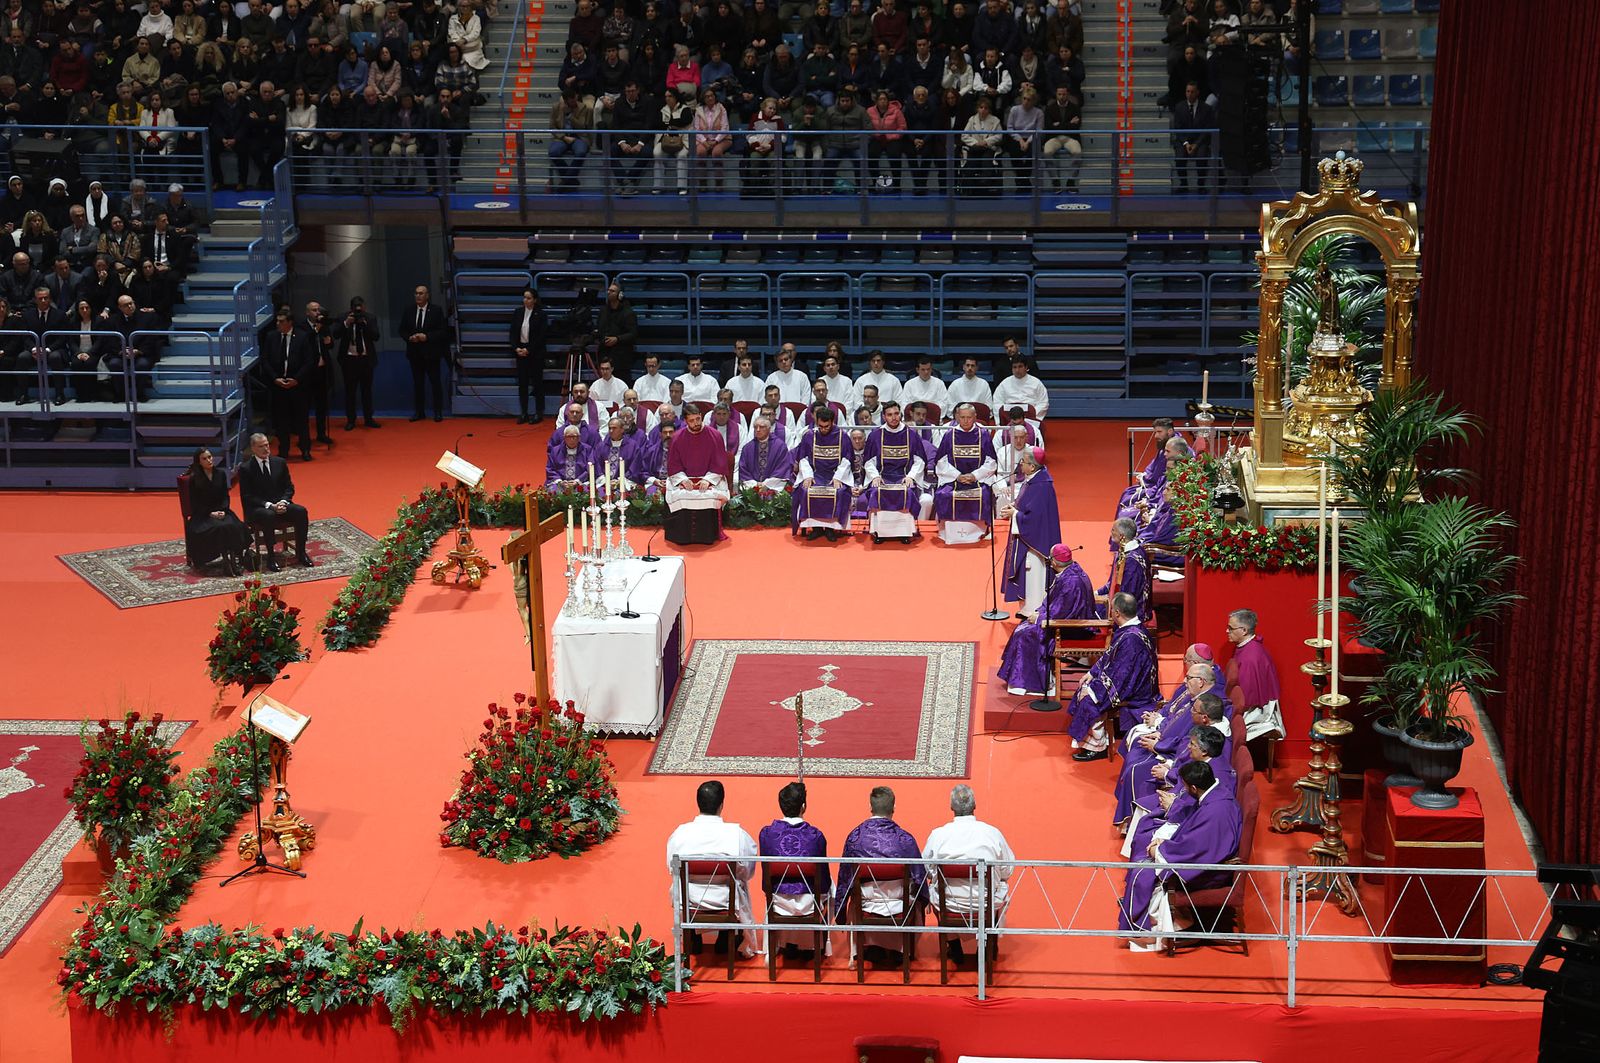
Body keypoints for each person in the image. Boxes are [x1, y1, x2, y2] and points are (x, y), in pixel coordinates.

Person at [1118, 760, 1241, 951]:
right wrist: (1167, 844)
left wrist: (1159, 850)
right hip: (1208, 856)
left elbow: (1198, 849)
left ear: (1193, 787)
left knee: (1143, 873)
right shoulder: (1217, 793)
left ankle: (1151, 931)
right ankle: (1135, 907)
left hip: (1212, 873)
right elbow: (1197, 837)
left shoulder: (1215, 812)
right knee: (1147, 857)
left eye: (1184, 786)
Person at [1114, 648, 1226, 829]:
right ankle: (1130, 818)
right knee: (1135, 750)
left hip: (1175, 761)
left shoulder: (1206, 706)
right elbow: (1182, 731)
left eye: (1189, 678)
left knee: (1135, 770)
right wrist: (1161, 728)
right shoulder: (1198, 698)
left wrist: (1164, 757)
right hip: (1173, 753)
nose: (1184, 681)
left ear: (1201, 681)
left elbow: (1186, 743)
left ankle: (1131, 822)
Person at [665, 780, 759, 959]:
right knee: (739, 882)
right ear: (721, 805)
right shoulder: (736, 834)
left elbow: (672, 868)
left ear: (698, 803)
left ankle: (692, 938)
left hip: (690, 899)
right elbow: (748, 871)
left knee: (681, 883)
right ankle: (726, 937)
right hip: (726, 899)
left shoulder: (681, 833)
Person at [834, 785, 925, 971]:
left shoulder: (855, 838)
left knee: (854, 893)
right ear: (893, 808)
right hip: (900, 904)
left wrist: (841, 910)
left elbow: (845, 879)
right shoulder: (905, 840)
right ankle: (902, 949)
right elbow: (919, 878)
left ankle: (864, 947)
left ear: (870, 807)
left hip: (866, 903)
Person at [922, 784, 1014, 962]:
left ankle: (954, 944)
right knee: (1003, 886)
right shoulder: (992, 833)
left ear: (951, 808)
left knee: (934, 890)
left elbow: (927, 869)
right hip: (985, 904)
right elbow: (1007, 869)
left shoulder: (938, 835)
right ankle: (987, 945)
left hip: (948, 903)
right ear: (974, 806)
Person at [997, 542, 1098, 698]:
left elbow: (1063, 613)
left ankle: (1031, 684)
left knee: (1027, 635)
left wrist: (1038, 618)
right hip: (1069, 620)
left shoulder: (1071, 582)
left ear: (1055, 562)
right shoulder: (1072, 571)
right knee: (1023, 627)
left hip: (1074, 628)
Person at [1067, 591, 1160, 762]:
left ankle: (1097, 746)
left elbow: (1123, 676)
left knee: (1089, 699)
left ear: (1117, 613)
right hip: (1131, 680)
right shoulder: (1133, 629)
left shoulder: (1131, 639)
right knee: (1088, 685)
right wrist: (1092, 672)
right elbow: (1111, 656)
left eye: (1111, 610)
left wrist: (1095, 691)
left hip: (1138, 690)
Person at [757, 781, 832, 959]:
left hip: (778, 901)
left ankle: (786, 942)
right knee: (830, 888)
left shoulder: (767, 834)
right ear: (804, 806)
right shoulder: (816, 836)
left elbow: (765, 874)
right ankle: (813, 945)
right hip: (809, 903)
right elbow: (824, 880)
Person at [237, 431, 313, 570]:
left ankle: (301, 552)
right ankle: (271, 557)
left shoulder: (279, 462)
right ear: (253, 448)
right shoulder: (246, 468)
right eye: (261, 446)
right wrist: (270, 506)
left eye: (267, 445)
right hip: (258, 508)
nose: (266, 449)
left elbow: (289, 487)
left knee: (301, 511)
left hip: (280, 504)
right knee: (269, 515)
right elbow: (248, 496)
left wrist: (284, 501)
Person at [1000, 447, 1061, 617]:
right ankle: (1026, 607)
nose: (1020, 464)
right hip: (1029, 539)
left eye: (1023, 461)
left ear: (1032, 466)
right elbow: (1028, 505)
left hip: (1035, 544)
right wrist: (1014, 507)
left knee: (1033, 574)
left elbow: (1036, 518)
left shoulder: (1041, 485)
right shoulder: (1033, 480)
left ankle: (1034, 609)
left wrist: (1015, 514)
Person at [932, 402, 996, 545]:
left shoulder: (983, 435)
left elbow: (991, 462)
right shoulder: (950, 435)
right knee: (943, 495)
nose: (966, 421)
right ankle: (946, 531)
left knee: (984, 494)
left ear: (975, 417)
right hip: (954, 479)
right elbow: (941, 461)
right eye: (962, 417)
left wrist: (974, 475)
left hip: (977, 480)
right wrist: (958, 476)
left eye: (969, 417)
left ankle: (979, 530)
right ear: (957, 417)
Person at [182, 446, 251, 575]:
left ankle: (234, 559)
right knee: (220, 528)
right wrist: (210, 513)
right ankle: (227, 561)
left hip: (221, 510)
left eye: (210, 457)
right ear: (199, 461)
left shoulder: (220, 474)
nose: (209, 460)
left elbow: (225, 496)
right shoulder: (194, 479)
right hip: (203, 514)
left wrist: (223, 510)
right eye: (204, 459)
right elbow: (195, 502)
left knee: (233, 525)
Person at [1224, 608, 1284, 752]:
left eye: (1230, 628)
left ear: (1244, 631)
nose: (1227, 631)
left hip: (1256, 710)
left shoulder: (1251, 658)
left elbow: (1246, 698)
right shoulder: (1246, 646)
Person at [862, 401, 923, 542]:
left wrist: (911, 477)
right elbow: (868, 461)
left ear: (900, 414)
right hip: (882, 476)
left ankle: (905, 532)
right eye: (889, 415)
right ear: (884, 417)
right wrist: (875, 476)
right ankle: (879, 532)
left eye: (896, 414)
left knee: (906, 491)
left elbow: (919, 460)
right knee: (877, 491)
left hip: (904, 476)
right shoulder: (876, 435)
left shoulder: (911, 435)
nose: (894, 417)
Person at [791, 404, 853, 540]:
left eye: (827, 427)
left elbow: (847, 460)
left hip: (835, 474)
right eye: (821, 427)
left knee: (839, 491)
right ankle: (817, 528)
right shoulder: (809, 436)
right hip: (815, 473)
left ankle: (831, 528)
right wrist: (807, 476)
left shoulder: (843, 437)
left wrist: (838, 478)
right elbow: (803, 458)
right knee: (806, 490)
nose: (823, 430)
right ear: (816, 421)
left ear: (833, 422)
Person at [261, 307, 314, 461]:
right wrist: (274, 378)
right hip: (278, 386)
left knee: (301, 420)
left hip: (298, 386)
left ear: (290, 322)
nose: (278, 324)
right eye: (277, 321)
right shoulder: (271, 337)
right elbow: (265, 360)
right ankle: (284, 450)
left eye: (281, 321)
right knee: (281, 421)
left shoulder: (303, 337)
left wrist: (296, 379)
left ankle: (305, 449)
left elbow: (309, 361)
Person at [666, 406, 731, 523]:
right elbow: (674, 464)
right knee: (679, 495)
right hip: (685, 480)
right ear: (685, 421)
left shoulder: (715, 435)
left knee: (712, 495)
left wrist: (708, 480)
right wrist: (683, 480)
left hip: (710, 479)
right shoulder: (677, 438)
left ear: (701, 416)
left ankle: (710, 530)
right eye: (691, 421)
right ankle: (681, 531)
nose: (696, 423)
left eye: (697, 419)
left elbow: (719, 463)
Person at [402, 283, 448, 422]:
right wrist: (409, 338)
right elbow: (402, 330)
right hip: (415, 354)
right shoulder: (409, 311)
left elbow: (442, 332)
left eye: (421, 293)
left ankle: (438, 411)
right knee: (418, 384)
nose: (418, 296)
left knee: (435, 383)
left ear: (427, 295)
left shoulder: (436, 310)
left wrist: (427, 337)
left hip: (431, 354)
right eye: (416, 293)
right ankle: (419, 412)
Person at [333, 296, 380, 430]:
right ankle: (351, 420)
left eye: (360, 308)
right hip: (349, 360)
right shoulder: (343, 317)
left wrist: (365, 324)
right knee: (350, 392)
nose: (358, 311)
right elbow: (335, 334)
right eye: (356, 308)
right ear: (351, 308)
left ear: (364, 307)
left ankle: (368, 418)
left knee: (367, 391)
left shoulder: (370, 318)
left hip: (366, 359)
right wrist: (346, 323)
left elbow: (376, 336)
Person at [1117, 417, 1177, 518]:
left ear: (1170, 431)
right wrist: (1145, 474)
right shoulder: (1166, 445)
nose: (1156, 435)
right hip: (1157, 486)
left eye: (1159, 432)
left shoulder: (1174, 449)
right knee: (1127, 493)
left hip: (1159, 490)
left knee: (1128, 498)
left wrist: (1144, 479)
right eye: (1155, 432)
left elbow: (1158, 477)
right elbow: (1154, 464)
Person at [1102, 516, 1152, 622]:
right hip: (1120, 599)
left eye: (1113, 530)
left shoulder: (1131, 563)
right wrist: (1097, 593)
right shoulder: (1127, 551)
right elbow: (1112, 583)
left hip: (1133, 612)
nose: (1111, 533)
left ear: (1121, 536)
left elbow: (1128, 595)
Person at [510, 287, 548, 424]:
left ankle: (538, 413)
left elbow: (542, 336)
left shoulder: (541, 314)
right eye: (524, 297)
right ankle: (524, 412)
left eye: (529, 298)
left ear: (535, 300)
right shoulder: (518, 313)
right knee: (523, 384)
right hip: (520, 352)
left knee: (537, 384)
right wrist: (516, 348)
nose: (525, 300)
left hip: (535, 353)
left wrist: (529, 350)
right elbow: (512, 333)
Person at [1169, 79, 1214, 194]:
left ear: (1197, 92)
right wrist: (1186, 143)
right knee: (1179, 157)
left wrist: (1197, 144)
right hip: (1184, 140)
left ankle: (1201, 185)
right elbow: (1178, 129)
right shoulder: (1179, 107)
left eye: (1192, 92)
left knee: (1202, 156)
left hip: (1200, 140)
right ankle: (1184, 185)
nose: (1190, 94)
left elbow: (1207, 129)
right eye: (1188, 91)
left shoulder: (1206, 108)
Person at [737, 414, 794, 490]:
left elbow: (782, 468)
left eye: (761, 427)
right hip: (752, 488)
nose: (758, 430)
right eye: (755, 427)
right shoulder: (747, 448)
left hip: (773, 487)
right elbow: (743, 470)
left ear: (769, 429)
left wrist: (766, 484)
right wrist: (755, 484)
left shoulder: (780, 446)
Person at [597, 282, 638, 379]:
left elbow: (633, 334)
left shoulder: (628, 313)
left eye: (612, 291)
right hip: (605, 354)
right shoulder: (603, 311)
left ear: (620, 295)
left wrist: (617, 339)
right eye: (608, 290)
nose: (608, 292)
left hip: (622, 357)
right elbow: (599, 329)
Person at [992, 355, 1049, 419]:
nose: (1017, 370)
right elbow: (997, 402)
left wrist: (1032, 415)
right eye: (1014, 367)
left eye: (1020, 366)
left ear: (1026, 367)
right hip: (1009, 418)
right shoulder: (1004, 383)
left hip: (1030, 418)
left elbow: (1043, 403)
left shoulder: (1036, 383)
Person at [630, 419, 675, 491]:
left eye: (671, 432)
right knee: (652, 494)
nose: (668, 435)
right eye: (665, 432)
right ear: (660, 434)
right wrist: (654, 480)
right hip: (656, 483)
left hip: (675, 483)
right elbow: (643, 471)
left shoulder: (681, 451)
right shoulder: (651, 451)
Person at [899, 355, 947, 421]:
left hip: (933, 419)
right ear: (917, 370)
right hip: (913, 420)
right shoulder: (909, 384)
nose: (926, 372)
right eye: (923, 369)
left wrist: (928, 414)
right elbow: (905, 405)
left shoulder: (939, 383)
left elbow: (943, 404)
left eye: (928, 369)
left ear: (931, 369)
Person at [593, 416, 636, 490]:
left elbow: (635, 466)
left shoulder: (632, 446)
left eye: (614, 428)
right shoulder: (601, 446)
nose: (611, 431)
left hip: (624, 483)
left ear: (622, 429)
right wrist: (605, 480)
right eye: (610, 428)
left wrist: (619, 481)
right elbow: (596, 464)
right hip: (604, 483)